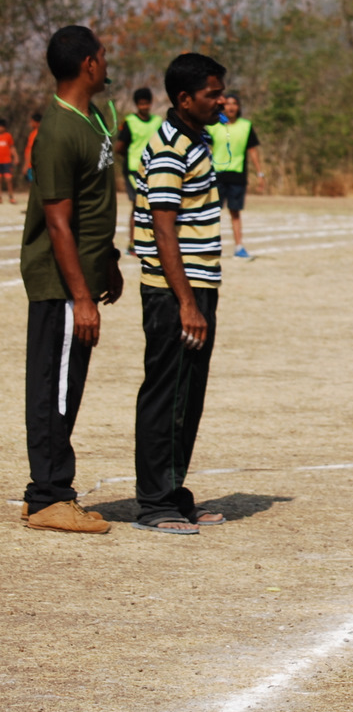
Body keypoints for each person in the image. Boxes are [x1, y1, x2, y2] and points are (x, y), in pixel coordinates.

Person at [18, 26, 121, 534]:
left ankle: (45, 493)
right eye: (103, 55)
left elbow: (94, 205)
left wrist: (109, 262)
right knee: (53, 390)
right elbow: (58, 223)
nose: (107, 62)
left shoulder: (94, 118)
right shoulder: (58, 130)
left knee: (66, 387)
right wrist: (81, 297)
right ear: (87, 64)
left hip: (82, 279)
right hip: (60, 285)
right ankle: (49, 497)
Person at [130, 53, 228, 535]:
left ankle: (173, 493)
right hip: (173, 294)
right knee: (166, 392)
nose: (221, 100)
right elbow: (163, 230)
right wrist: (186, 302)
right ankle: (154, 504)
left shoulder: (197, 141)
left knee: (188, 395)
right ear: (185, 99)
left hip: (198, 287)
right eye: (212, 93)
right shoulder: (170, 148)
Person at [206, 92, 263, 259]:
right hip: (216, 174)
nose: (231, 107)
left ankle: (239, 247)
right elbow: (205, 148)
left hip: (237, 174)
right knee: (213, 212)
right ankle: (209, 245)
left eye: (234, 104)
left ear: (239, 107)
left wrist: (260, 173)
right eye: (228, 104)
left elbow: (253, 150)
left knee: (235, 212)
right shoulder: (213, 126)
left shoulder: (246, 126)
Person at [113, 87, 162, 253]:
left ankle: (153, 240)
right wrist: (132, 159)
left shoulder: (157, 122)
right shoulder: (130, 122)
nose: (144, 107)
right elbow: (119, 147)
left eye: (146, 103)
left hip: (154, 169)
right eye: (141, 104)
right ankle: (133, 243)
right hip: (134, 170)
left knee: (154, 205)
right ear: (136, 104)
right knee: (138, 204)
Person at [22, 112, 42, 183]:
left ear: (35, 122)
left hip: (32, 165)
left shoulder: (34, 134)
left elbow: (31, 150)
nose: (30, 124)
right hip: (38, 164)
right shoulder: (42, 132)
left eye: (31, 122)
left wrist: (26, 165)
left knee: (33, 184)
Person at [0, 117, 15, 204]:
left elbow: (12, 147)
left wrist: (15, 156)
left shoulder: (8, 136)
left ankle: (11, 196)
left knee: (8, 179)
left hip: (6, 161)